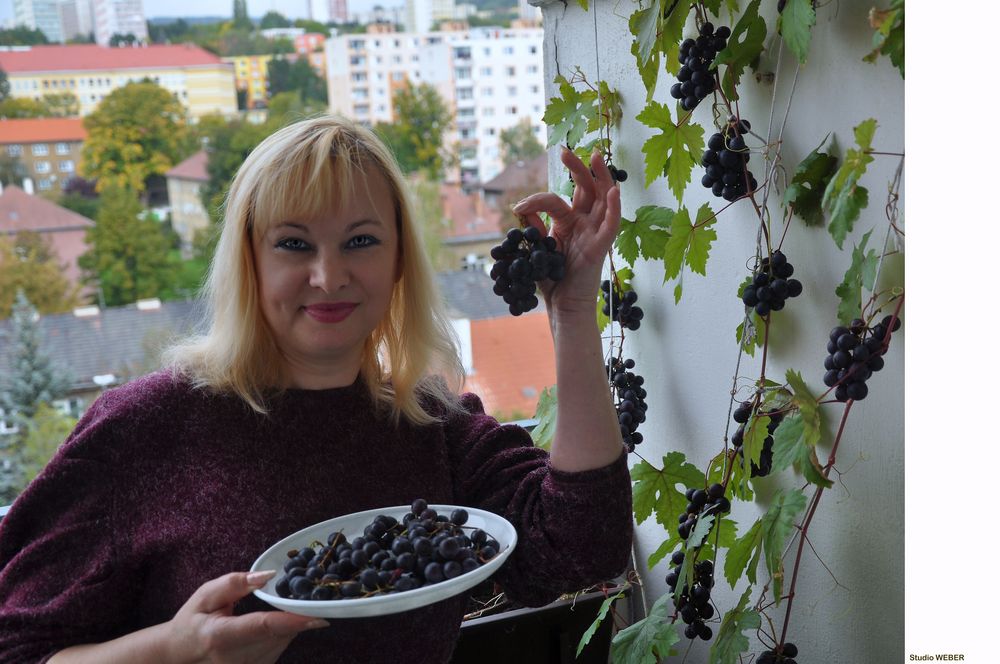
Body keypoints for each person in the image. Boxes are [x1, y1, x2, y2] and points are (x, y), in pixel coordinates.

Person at [0, 116, 632, 663]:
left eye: (360, 241)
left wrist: (572, 312)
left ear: (398, 263)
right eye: (294, 244)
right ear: (250, 258)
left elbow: (582, 546)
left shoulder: (431, 424)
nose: (329, 277)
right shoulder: (144, 428)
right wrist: (176, 650)